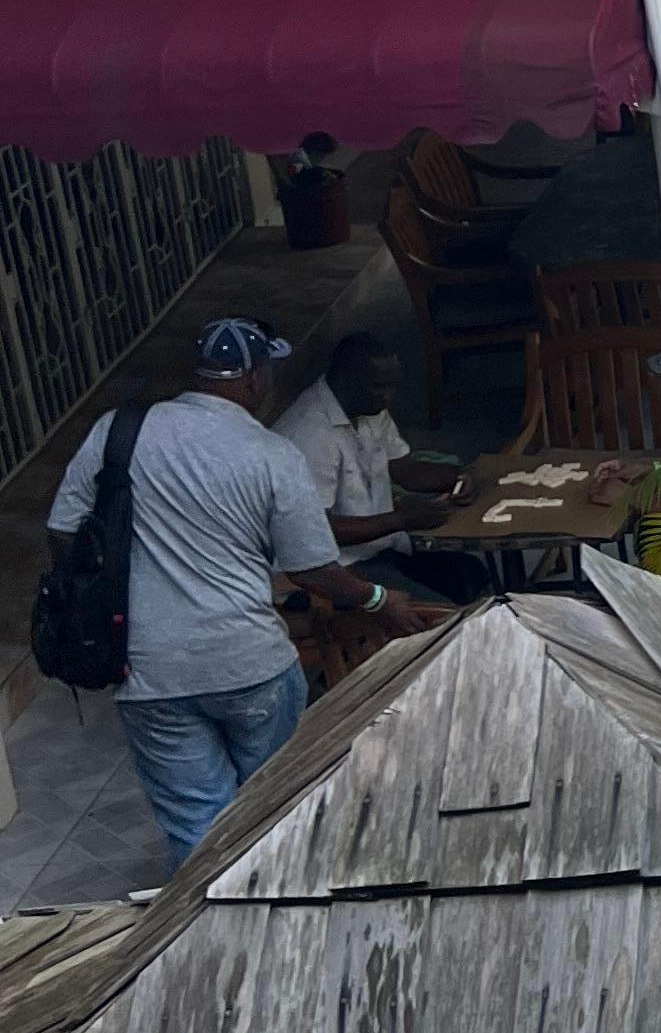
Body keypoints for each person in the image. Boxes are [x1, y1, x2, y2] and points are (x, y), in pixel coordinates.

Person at [45, 317, 444, 866]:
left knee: (195, 823)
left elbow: (63, 533)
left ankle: (207, 922)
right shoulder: (272, 455)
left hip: (147, 670)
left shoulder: (118, 431)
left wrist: (111, 591)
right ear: (256, 379)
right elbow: (311, 568)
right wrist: (378, 600)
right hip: (250, 664)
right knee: (274, 807)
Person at [274, 332, 477, 592]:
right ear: (347, 380)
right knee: (441, 611)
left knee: (469, 576)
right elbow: (315, 527)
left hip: (381, 550)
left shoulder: (369, 408)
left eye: (392, 387)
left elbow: (405, 470)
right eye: (379, 387)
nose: (387, 397)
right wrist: (400, 519)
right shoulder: (311, 433)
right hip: (336, 570)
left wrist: (461, 477)